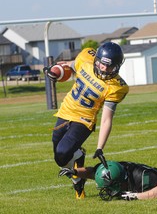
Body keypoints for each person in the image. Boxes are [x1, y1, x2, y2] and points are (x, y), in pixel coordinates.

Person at [44, 42, 129, 199]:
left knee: (62, 152)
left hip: (84, 120)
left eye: (109, 67)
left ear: (117, 67)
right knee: (59, 157)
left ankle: (77, 170)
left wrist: (100, 147)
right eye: (102, 64)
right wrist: (56, 70)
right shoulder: (85, 58)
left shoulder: (116, 87)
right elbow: (69, 66)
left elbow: (106, 119)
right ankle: (78, 169)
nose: (104, 69)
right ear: (96, 59)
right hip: (65, 112)